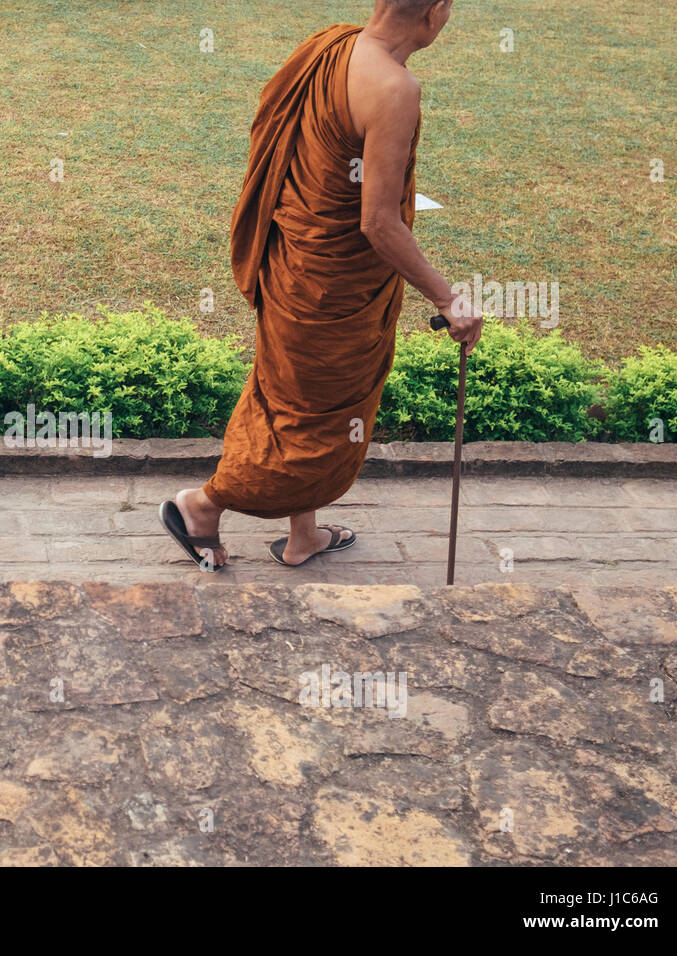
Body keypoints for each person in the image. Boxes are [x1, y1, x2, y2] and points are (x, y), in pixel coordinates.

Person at [160, 0, 483, 571]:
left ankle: (303, 536)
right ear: (434, 12)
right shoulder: (394, 89)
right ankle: (202, 506)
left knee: (296, 402)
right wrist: (447, 297)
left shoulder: (329, 47)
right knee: (310, 422)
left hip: (295, 264)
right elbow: (378, 222)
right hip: (333, 291)